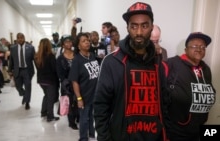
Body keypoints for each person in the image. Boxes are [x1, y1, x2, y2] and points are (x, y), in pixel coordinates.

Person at [93, 2, 168, 141]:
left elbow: (165, 103)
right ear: (127, 28)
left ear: (151, 27)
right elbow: (100, 106)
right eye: (134, 26)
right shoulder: (111, 62)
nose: (139, 32)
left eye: (144, 26)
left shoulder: (159, 63)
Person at [165, 32, 216, 141]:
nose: (199, 49)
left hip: (198, 132)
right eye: (194, 46)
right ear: (186, 49)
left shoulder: (206, 69)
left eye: (203, 47)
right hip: (175, 132)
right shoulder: (172, 64)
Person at [68, 32, 100, 141]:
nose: (87, 42)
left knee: (92, 116)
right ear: (78, 45)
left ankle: (91, 134)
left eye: (88, 40)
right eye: (83, 41)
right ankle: (83, 138)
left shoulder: (92, 55)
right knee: (84, 118)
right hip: (84, 96)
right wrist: (79, 98)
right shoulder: (77, 60)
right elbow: (74, 81)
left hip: (95, 94)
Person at [34, 38, 60, 122]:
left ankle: (43, 112)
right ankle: (50, 116)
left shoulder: (37, 56)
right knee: (50, 98)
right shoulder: (50, 56)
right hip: (50, 80)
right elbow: (54, 69)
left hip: (41, 80)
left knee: (46, 95)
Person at [56, 35, 79, 129]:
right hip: (67, 85)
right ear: (63, 44)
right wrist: (68, 82)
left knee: (78, 100)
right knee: (69, 103)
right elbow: (60, 74)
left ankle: (78, 116)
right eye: (66, 42)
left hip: (78, 82)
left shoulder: (77, 55)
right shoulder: (60, 59)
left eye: (70, 41)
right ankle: (71, 121)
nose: (68, 43)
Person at [8, 33, 35, 110]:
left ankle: (27, 102)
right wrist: (10, 70)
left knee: (28, 87)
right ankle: (24, 94)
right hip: (17, 70)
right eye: (18, 38)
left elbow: (34, 60)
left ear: (24, 38)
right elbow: (11, 60)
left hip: (27, 70)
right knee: (18, 86)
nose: (20, 39)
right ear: (16, 39)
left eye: (21, 37)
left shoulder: (30, 48)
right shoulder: (13, 48)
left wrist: (39, 70)